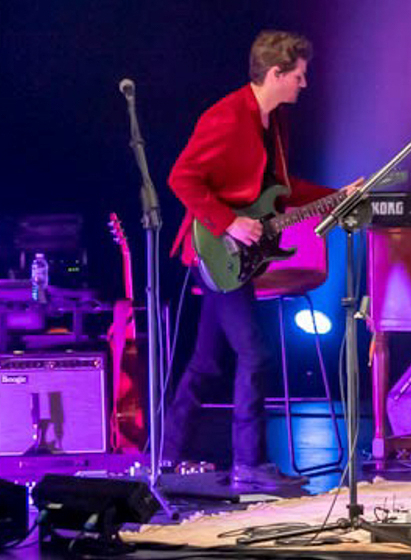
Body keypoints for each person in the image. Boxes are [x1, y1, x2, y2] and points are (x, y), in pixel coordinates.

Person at [166, 30, 355, 491]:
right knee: (255, 352)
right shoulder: (227, 117)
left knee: (207, 362)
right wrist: (229, 223)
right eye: (298, 76)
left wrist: (340, 197)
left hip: (240, 259)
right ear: (275, 74)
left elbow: (283, 193)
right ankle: (249, 464)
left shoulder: (273, 122)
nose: (303, 84)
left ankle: (166, 454)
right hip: (215, 250)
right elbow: (181, 179)